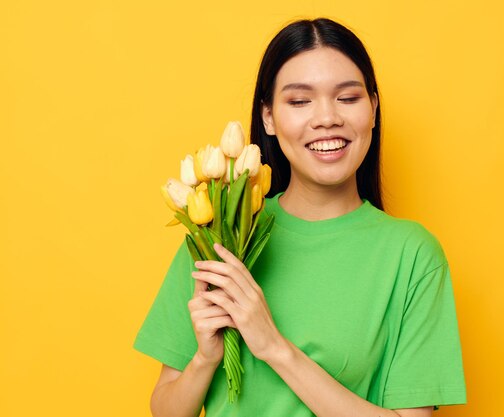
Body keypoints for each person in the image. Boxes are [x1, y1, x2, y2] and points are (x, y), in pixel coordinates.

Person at [134, 17, 466, 417]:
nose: (326, 118)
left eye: (347, 98)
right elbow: (165, 410)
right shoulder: (219, 233)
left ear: (373, 110)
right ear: (269, 117)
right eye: (299, 101)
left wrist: (273, 346)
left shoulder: (412, 256)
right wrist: (205, 358)